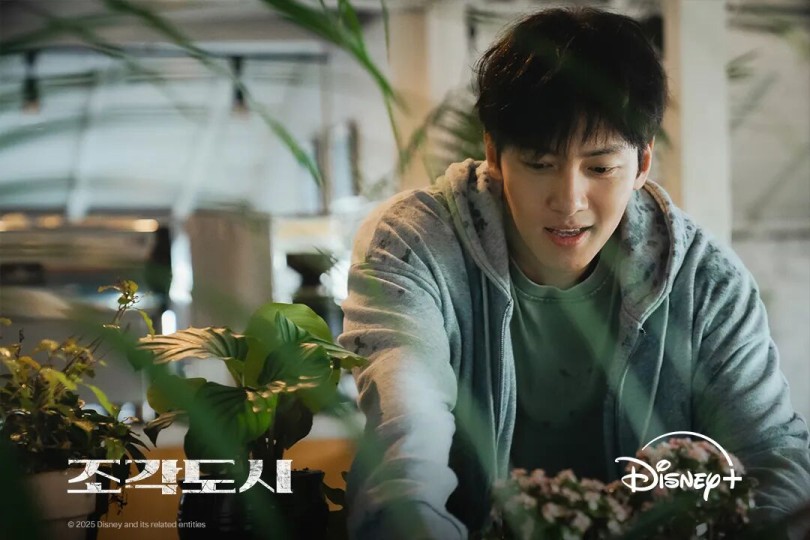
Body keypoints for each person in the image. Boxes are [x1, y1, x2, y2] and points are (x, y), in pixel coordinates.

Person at [338, 7, 810, 539]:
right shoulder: (415, 246)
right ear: (493, 154)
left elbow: (771, 459)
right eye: (540, 164)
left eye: (600, 167)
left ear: (642, 163)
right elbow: (406, 450)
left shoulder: (706, 282)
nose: (569, 201)